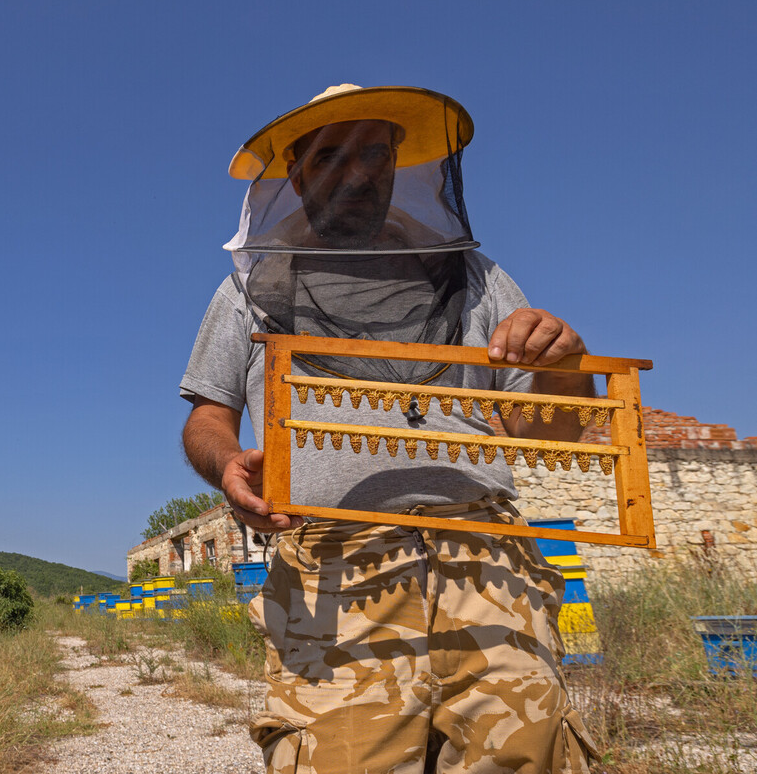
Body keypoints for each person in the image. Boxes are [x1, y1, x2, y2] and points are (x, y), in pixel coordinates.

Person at [179, 85, 598, 773]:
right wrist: (226, 462)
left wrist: (562, 365)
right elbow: (208, 414)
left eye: (375, 152)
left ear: (401, 167)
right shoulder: (246, 290)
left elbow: (546, 428)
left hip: (484, 558)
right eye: (331, 155)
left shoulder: (477, 277)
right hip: (334, 563)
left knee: (526, 756)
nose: (357, 173)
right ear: (294, 173)